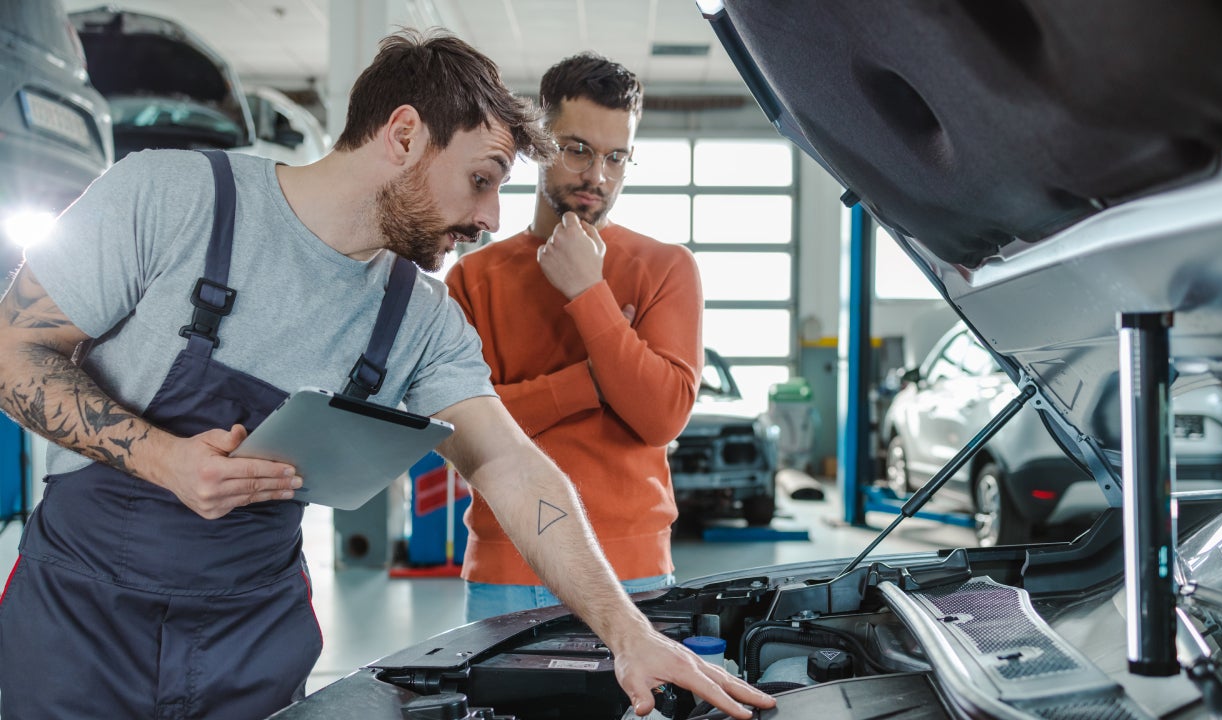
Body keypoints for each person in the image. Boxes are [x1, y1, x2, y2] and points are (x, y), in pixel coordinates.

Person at [0, 29, 771, 720]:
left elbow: (506, 462)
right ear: (404, 135)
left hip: (249, 637)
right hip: (82, 619)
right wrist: (163, 459)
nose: (494, 218)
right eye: (482, 178)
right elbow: (12, 352)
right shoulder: (170, 196)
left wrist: (627, 631)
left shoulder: (419, 316)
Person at [445, 53, 703, 621]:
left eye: (616, 157)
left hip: (634, 573)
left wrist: (588, 292)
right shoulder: (473, 278)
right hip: (507, 570)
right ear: (538, 142)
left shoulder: (665, 267)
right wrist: (594, 381)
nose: (598, 177)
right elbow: (463, 435)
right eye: (578, 149)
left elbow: (660, 416)